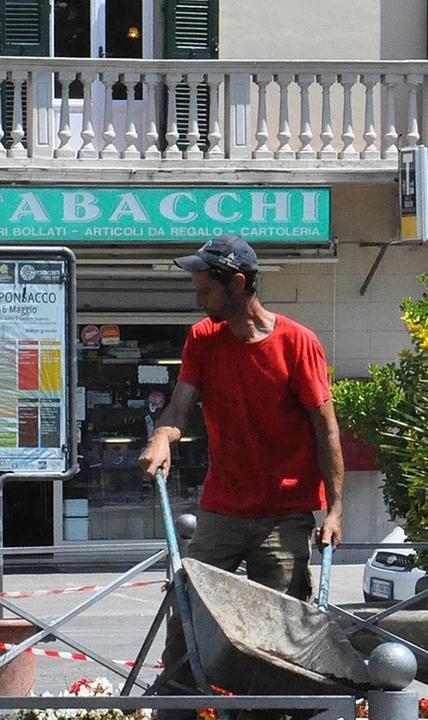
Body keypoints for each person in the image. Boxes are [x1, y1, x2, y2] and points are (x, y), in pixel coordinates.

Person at [138, 234, 345, 712]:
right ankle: (178, 708)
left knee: (278, 642)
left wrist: (334, 510)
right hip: (222, 509)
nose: (198, 300)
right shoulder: (202, 339)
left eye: (205, 290)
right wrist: (161, 438)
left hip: (285, 515)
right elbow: (180, 408)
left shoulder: (298, 343)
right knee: (187, 620)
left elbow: (327, 433)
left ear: (237, 284)